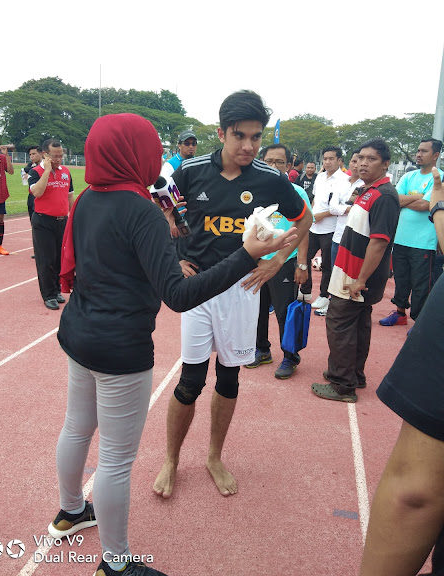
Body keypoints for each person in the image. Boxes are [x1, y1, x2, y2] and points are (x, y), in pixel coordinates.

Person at [51, 112, 297, 576]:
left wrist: (167, 239)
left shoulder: (87, 198)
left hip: (78, 332)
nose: (155, 157)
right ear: (132, 153)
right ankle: (116, 564)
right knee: (116, 460)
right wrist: (247, 254)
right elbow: (178, 296)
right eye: (148, 146)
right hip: (120, 346)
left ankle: (70, 510)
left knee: (77, 428)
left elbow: (109, 260)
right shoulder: (139, 208)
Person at [153, 90, 312, 499]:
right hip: (198, 290)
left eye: (256, 137)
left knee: (229, 377)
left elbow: (304, 217)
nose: (248, 146)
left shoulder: (270, 178)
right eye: (239, 135)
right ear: (221, 133)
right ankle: (171, 459)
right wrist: (174, 259)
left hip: (243, 290)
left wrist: (277, 261)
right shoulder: (190, 171)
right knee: (190, 381)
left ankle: (214, 457)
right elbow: (159, 213)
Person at [359, 166, 444, 576]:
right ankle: (403, 313)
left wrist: (436, 206)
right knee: (407, 288)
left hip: (422, 250)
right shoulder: (404, 181)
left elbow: (415, 494)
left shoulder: (397, 190)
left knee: (422, 292)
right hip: (407, 244)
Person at [311, 138, 400, 402]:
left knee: (339, 323)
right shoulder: (367, 190)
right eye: (360, 158)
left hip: (357, 276)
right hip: (349, 270)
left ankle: (342, 384)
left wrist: (361, 279)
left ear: (385, 164)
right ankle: (354, 375)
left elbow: (379, 242)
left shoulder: (384, 196)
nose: (363, 163)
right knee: (359, 325)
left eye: (371, 159)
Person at [246, 143, 312, 379]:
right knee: (258, 309)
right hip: (257, 260)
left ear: (289, 165)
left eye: (279, 162)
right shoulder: (254, 191)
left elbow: (303, 229)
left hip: (284, 261)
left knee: (284, 311)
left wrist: (301, 264)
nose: (273, 166)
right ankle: (262, 349)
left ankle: (290, 357)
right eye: (269, 161)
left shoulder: (296, 192)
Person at [379, 138, 443, 327]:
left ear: (436, 155)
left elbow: (427, 205)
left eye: (424, 151)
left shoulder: (439, 177)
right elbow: (394, 199)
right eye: (418, 150)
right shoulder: (409, 176)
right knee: (401, 279)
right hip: (401, 238)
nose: (418, 154)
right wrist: (417, 198)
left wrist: (409, 200)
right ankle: (400, 313)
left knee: (422, 284)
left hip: (424, 242)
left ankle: (420, 323)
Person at [298, 146, 348, 309]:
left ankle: (324, 295)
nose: (327, 162)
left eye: (331, 159)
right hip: (313, 227)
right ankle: (305, 290)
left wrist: (322, 215)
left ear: (339, 161)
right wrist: (312, 214)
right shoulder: (319, 177)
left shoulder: (344, 180)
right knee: (304, 258)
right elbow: (315, 199)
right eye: (325, 159)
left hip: (331, 229)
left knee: (327, 264)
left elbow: (340, 206)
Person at [28, 139, 74, 310]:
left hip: (62, 221)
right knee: (46, 260)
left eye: (61, 156)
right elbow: (37, 192)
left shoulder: (66, 172)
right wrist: (47, 170)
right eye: (55, 156)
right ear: (45, 155)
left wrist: (73, 216)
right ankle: (49, 295)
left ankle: (56, 290)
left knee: (59, 259)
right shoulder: (35, 172)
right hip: (43, 221)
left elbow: (70, 195)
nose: (58, 159)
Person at [24, 145, 43, 221]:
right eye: (30, 154)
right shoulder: (31, 165)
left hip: (41, 196)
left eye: (34, 154)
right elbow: (26, 169)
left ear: (41, 153)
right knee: (33, 220)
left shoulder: (45, 166)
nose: (31, 156)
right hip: (31, 195)